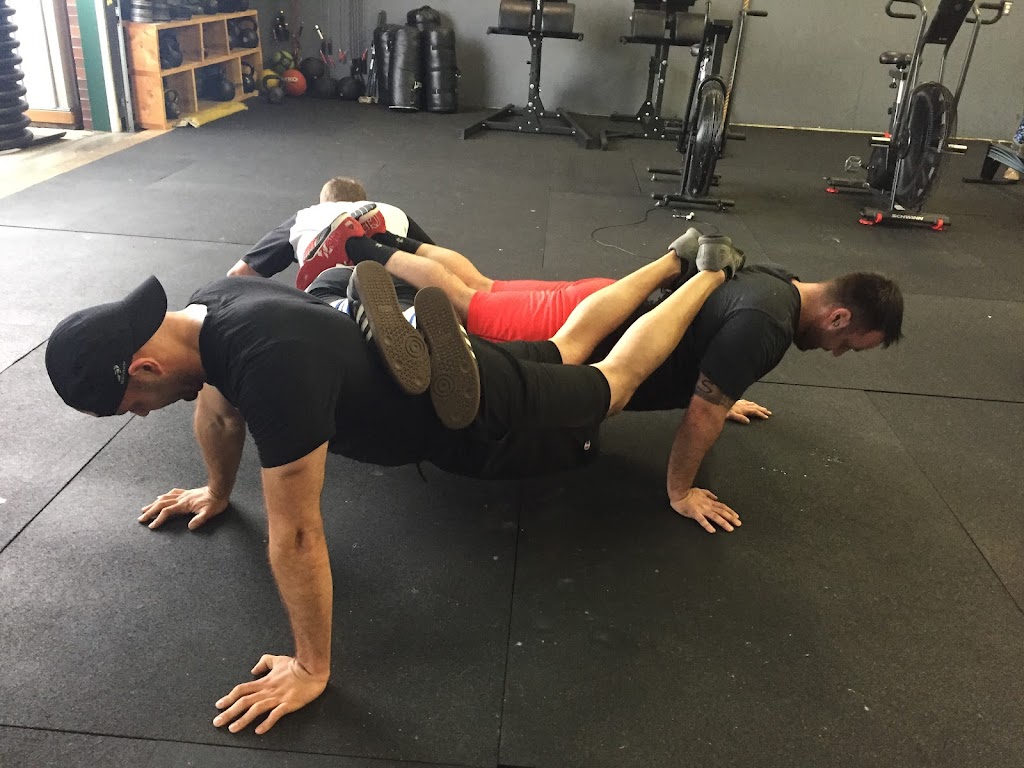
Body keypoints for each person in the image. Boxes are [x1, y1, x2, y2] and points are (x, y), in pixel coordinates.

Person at [45, 234, 746, 736]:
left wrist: (311, 667)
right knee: (564, 345)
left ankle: (709, 274)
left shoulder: (270, 368)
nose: (143, 415)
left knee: (610, 385)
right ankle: (677, 255)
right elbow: (219, 413)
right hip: (426, 352)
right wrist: (216, 492)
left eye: (133, 406)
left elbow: (297, 532)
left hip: (467, 402)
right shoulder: (212, 304)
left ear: (143, 368)